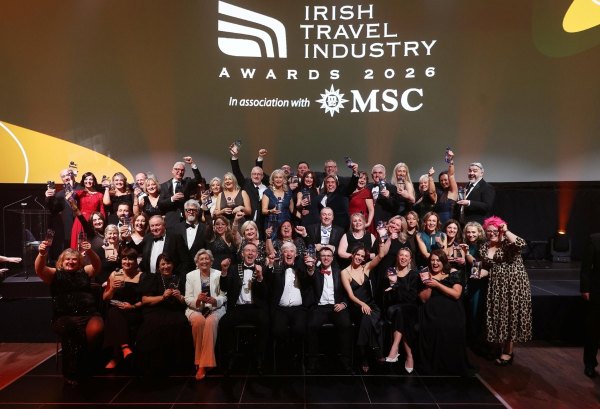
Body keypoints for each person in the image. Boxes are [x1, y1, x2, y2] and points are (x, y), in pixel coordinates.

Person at [34, 239, 103, 384]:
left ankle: (88, 366)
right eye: (67, 259)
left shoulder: (84, 271)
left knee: (96, 329)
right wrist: (42, 254)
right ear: (61, 261)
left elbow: (97, 265)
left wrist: (90, 251)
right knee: (72, 330)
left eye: (74, 259)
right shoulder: (54, 274)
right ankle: (71, 372)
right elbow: (39, 269)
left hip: (88, 314)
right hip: (64, 317)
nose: (71, 262)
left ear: (79, 262)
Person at [478, 216, 532, 366]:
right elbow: (488, 268)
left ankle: (508, 351)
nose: (492, 233)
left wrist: (506, 231)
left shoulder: (509, 244)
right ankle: (498, 346)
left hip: (514, 286)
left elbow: (522, 243)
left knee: (511, 316)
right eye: (489, 231)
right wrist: (480, 273)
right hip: (496, 286)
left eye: (495, 231)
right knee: (499, 316)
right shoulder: (484, 247)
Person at [137, 253, 193, 375]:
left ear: (173, 265)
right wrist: (162, 297)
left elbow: (187, 301)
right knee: (155, 324)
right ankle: (156, 366)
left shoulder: (181, 279)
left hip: (175, 310)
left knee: (181, 323)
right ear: (158, 266)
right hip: (155, 309)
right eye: (163, 264)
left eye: (168, 263)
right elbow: (145, 300)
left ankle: (178, 366)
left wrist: (180, 297)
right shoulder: (152, 278)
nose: (166, 266)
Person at [218, 242, 269, 374]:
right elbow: (224, 288)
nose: (250, 253)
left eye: (253, 251)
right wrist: (224, 271)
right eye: (247, 250)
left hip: (256, 308)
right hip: (238, 308)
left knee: (266, 322)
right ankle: (230, 357)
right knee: (223, 323)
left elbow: (265, 294)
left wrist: (260, 277)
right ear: (242, 254)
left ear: (257, 255)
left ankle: (260, 359)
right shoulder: (233, 269)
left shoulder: (263, 269)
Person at [417, 249, 470, 375]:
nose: (435, 263)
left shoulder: (453, 272)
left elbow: (456, 294)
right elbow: (423, 299)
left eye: (438, 260)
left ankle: (451, 364)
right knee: (435, 324)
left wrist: (438, 285)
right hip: (432, 312)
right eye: (432, 260)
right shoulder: (424, 274)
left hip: (452, 311)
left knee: (452, 325)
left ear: (444, 261)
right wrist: (429, 284)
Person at [305, 246, 353, 374]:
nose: (326, 258)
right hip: (319, 307)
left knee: (346, 325)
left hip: (336, 306)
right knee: (311, 326)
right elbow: (309, 275)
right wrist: (310, 268)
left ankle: (346, 361)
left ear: (332, 258)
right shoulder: (315, 271)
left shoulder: (340, 272)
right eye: (323, 255)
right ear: (319, 258)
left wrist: (344, 304)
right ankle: (312, 361)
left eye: (328, 256)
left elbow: (348, 292)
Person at [340, 243, 387, 373]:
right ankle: (374, 351)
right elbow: (350, 295)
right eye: (358, 255)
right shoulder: (345, 272)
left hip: (372, 305)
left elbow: (381, 255)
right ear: (352, 255)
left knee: (369, 318)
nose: (359, 258)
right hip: (357, 306)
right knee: (366, 318)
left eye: (362, 256)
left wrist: (381, 241)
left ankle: (363, 355)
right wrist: (362, 304)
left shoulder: (366, 267)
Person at [266, 242, 311, 367]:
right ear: (282, 254)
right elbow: (268, 282)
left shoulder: (302, 268)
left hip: (299, 309)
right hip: (281, 309)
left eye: (291, 251)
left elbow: (308, 281)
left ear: (296, 254)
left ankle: (297, 358)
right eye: (285, 251)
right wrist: (270, 265)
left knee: (300, 329)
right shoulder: (276, 268)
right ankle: (283, 359)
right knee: (278, 330)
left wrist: (310, 268)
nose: (289, 253)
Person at [185, 249, 227, 380]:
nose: (204, 261)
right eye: (201, 259)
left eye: (207, 259)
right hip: (196, 309)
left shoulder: (218, 274)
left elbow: (224, 295)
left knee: (210, 322)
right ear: (197, 262)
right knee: (198, 322)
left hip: (215, 309)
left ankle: (202, 365)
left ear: (211, 261)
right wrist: (197, 300)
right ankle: (202, 362)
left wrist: (215, 300)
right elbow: (187, 298)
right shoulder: (190, 276)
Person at [102, 248, 143, 370]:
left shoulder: (141, 276)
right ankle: (125, 348)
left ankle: (116, 357)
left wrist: (132, 306)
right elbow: (105, 298)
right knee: (114, 313)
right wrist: (112, 289)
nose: (127, 262)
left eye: (130, 259)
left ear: (136, 261)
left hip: (134, 309)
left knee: (114, 316)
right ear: (121, 261)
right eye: (124, 259)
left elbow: (145, 299)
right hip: (117, 308)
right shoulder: (115, 274)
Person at [381, 247, 419, 373]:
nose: (403, 258)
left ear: (410, 259)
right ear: (397, 257)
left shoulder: (414, 274)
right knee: (400, 312)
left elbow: (412, 297)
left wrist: (396, 286)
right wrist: (391, 285)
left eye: (406, 256)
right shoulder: (390, 272)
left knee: (402, 312)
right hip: (393, 308)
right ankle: (409, 356)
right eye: (401, 255)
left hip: (410, 308)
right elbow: (387, 298)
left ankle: (395, 347)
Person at [461, 221, 488, 355]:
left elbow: (477, 267)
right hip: (466, 282)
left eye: (473, 232)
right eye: (468, 232)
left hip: (477, 283)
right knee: (467, 311)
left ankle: (476, 342)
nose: (471, 234)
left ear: (479, 233)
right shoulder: (465, 245)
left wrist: (466, 254)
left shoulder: (482, 246)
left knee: (475, 312)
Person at [158, 156, 205, 228]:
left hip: (186, 219)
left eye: (182, 170)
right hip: (171, 220)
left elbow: (198, 179)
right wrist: (172, 199)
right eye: (177, 169)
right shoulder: (164, 186)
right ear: (172, 170)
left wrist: (192, 164)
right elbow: (160, 204)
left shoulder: (187, 182)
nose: (180, 172)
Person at [45, 169, 82, 254]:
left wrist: (72, 190)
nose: (66, 178)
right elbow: (53, 210)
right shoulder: (60, 194)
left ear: (73, 175)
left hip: (81, 224)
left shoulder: (82, 188)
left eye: (68, 175)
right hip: (68, 228)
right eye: (63, 176)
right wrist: (49, 198)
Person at [581, 233, 600, 378]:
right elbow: (586, 267)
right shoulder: (594, 239)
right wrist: (585, 288)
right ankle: (589, 363)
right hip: (597, 290)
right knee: (593, 329)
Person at [70, 172, 105, 249]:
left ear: (94, 181)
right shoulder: (78, 193)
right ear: (83, 181)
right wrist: (71, 179)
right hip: (80, 221)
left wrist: (103, 225)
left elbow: (102, 211)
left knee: (91, 243)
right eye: (86, 179)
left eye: (90, 179)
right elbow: (70, 195)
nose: (88, 181)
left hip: (93, 221)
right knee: (78, 244)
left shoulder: (99, 195)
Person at [261, 169, 294, 240]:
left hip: (285, 225)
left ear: (284, 179)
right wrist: (270, 211)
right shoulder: (268, 192)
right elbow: (263, 210)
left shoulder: (288, 192)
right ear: (272, 180)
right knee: (272, 244)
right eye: (276, 177)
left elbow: (292, 210)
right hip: (272, 224)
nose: (278, 180)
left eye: (280, 177)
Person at [436, 150, 458, 224]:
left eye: (445, 180)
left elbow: (451, 175)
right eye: (441, 180)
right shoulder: (439, 193)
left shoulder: (453, 191)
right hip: (439, 225)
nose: (443, 182)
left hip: (450, 225)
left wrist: (451, 160)